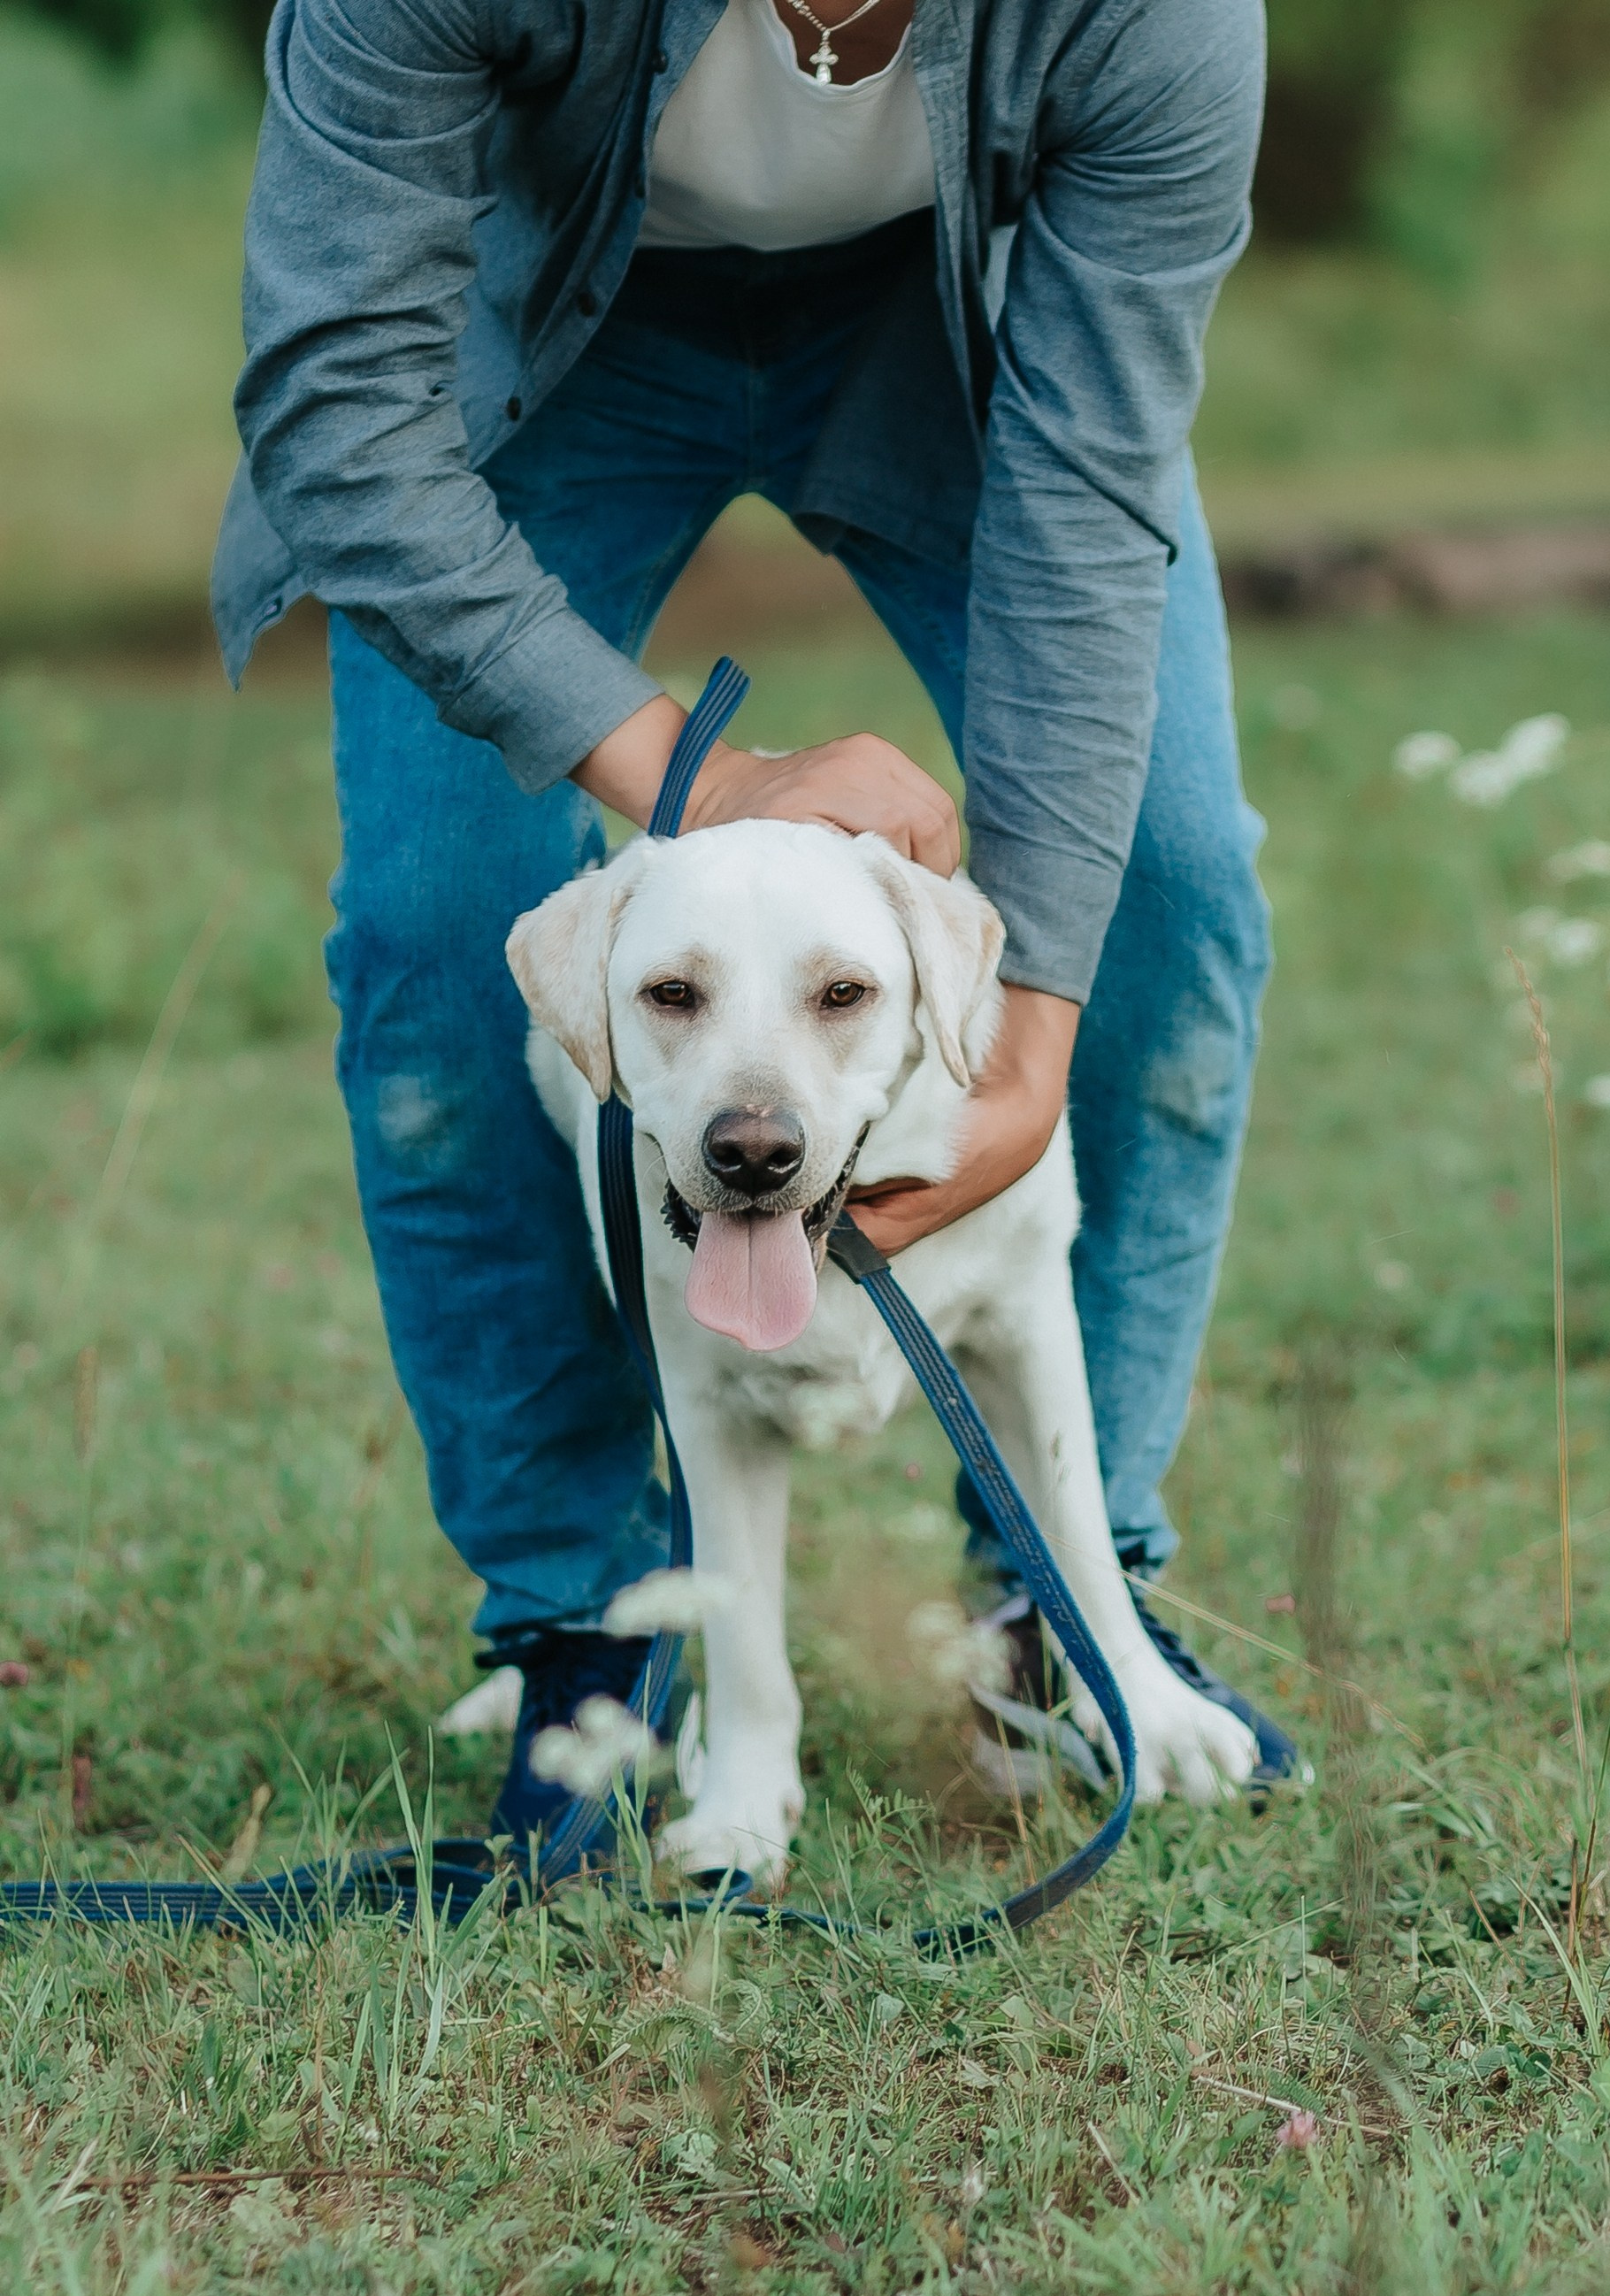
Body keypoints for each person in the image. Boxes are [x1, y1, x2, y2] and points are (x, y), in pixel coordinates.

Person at [212, 0, 1298, 1844]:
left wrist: (1026, 1042)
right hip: (541, 324)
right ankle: (584, 1618)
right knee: (435, 930)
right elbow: (341, 416)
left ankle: (1060, 1603)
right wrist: (697, 784)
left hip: (948, 331)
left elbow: (1095, 482)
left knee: (1172, 887)